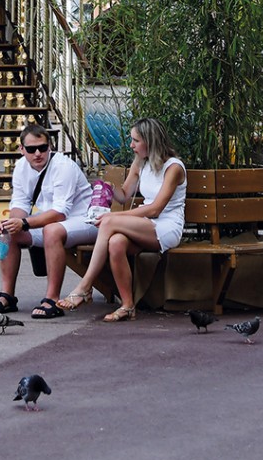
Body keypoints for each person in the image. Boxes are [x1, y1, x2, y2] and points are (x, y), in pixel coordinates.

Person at [58, 117, 186, 322]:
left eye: (135, 141)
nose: (131, 145)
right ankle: (127, 306)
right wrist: (108, 187)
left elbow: (155, 209)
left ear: (150, 142)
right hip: (145, 223)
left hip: (167, 226)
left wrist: (114, 216)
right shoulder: (140, 163)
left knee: (109, 222)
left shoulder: (174, 168)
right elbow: (125, 194)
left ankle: (85, 286)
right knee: (116, 243)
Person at [0, 123, 95, 320]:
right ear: (22, 150)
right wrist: (12, 223)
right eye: (31, 149)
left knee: (52, 231)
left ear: (50, 147)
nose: (37, 153)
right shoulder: (21, 167)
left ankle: (52, 299)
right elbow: (20, 203)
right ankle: (7, 295)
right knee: (7, 231)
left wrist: (25, 223)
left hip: (84, 221)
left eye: (42, 148)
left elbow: (60, 213)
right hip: (53, 222)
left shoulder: (63, 166)